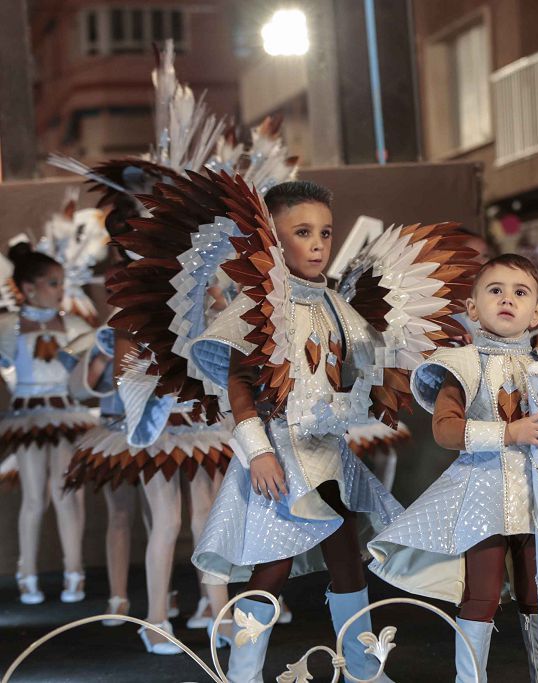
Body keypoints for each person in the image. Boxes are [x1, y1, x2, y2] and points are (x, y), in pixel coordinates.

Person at [112, 174, 475, 681]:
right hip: (280, 452)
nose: (319, 244)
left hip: (327, 450)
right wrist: (258, 451)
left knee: (346, 557)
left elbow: (369, 361)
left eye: (325, 233)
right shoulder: (259, 304)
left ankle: (362, 666)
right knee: (273, 565)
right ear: (273, 238)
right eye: (303, 232)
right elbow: (239, 382)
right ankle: (243, 669)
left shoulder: (334, 304)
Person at [368, 253, 538, 682]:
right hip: (482, 492)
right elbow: (445, 430)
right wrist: (509, 434)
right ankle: (470, 678)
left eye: (520, 292)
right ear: (472, 307)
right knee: (483, 590)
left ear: (537, 312)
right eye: (495, 290)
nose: (507, 299)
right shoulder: (461, 365)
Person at [0, 245, 97, 605]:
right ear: (27, 288)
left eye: (62, 283)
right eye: (53, 283)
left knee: (65, 494)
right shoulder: (8, 326)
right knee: (34, 497)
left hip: (66, 414)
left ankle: (75, 571)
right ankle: (27, 573)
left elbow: (87, 375)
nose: (60, 290)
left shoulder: (72, 325)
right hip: (27, 416)